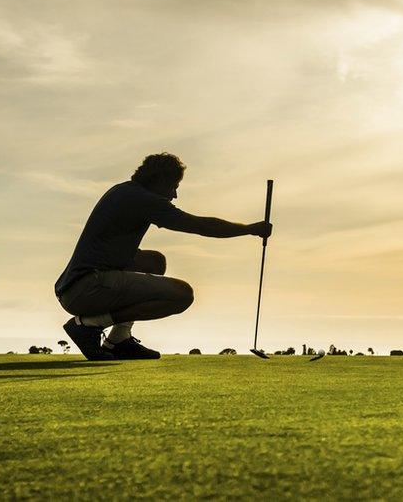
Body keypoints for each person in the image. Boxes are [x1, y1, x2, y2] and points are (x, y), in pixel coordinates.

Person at [55, 153, 273, 360]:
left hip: (75, 287)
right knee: (182, 295)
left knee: (155, 262)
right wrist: (250, 229)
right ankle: (89, 324)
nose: (174, 194)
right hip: (86, 289)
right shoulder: (142, 199)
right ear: (159, 180)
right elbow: (197, 225)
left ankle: (119, 339)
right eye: (173, 186)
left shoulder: (126, 191)